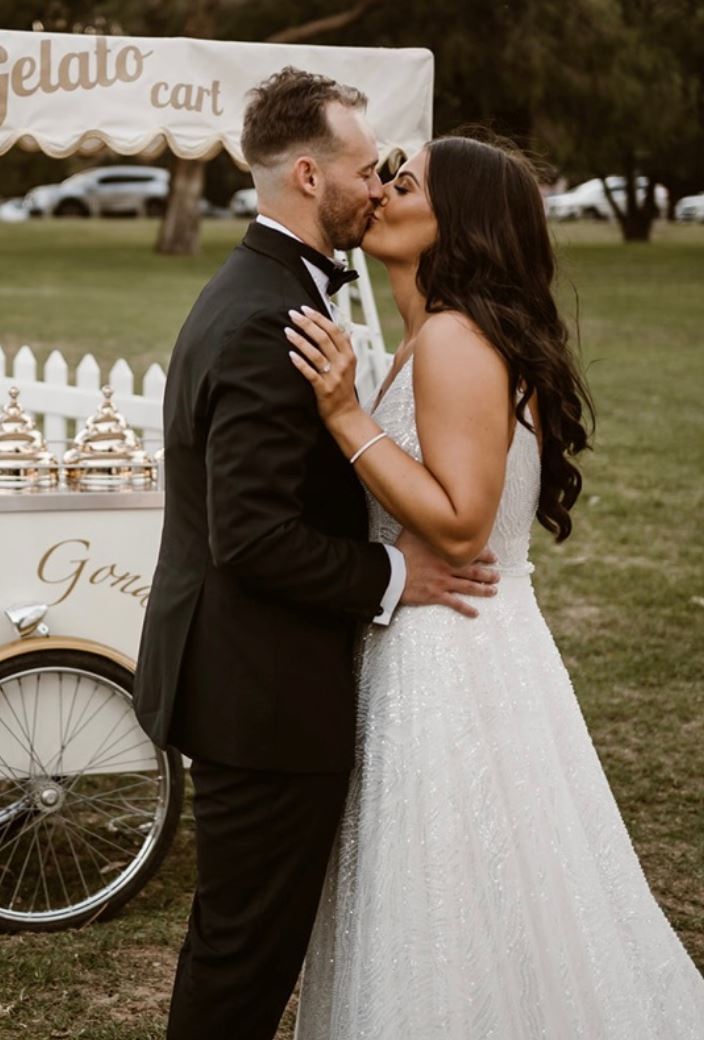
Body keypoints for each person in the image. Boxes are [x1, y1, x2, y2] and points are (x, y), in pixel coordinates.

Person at [286, 134, 704, 1038]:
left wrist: (345, 415)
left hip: (455, 651)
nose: (386, 191)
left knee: (452, 887)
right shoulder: (429, 339)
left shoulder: (454, 341)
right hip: (450, 637)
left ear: (460, 220)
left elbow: (464, 521)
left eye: (408, 182)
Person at [132, 69, 499, 1040]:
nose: (374, 188)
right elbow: (250, 533)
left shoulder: (264, 286)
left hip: (244, 672)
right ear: (307, 174)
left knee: (236, 940)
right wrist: (391, 575)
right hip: (260, 688)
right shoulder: (267, 314)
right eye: (360, 169)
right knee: (245, 956)